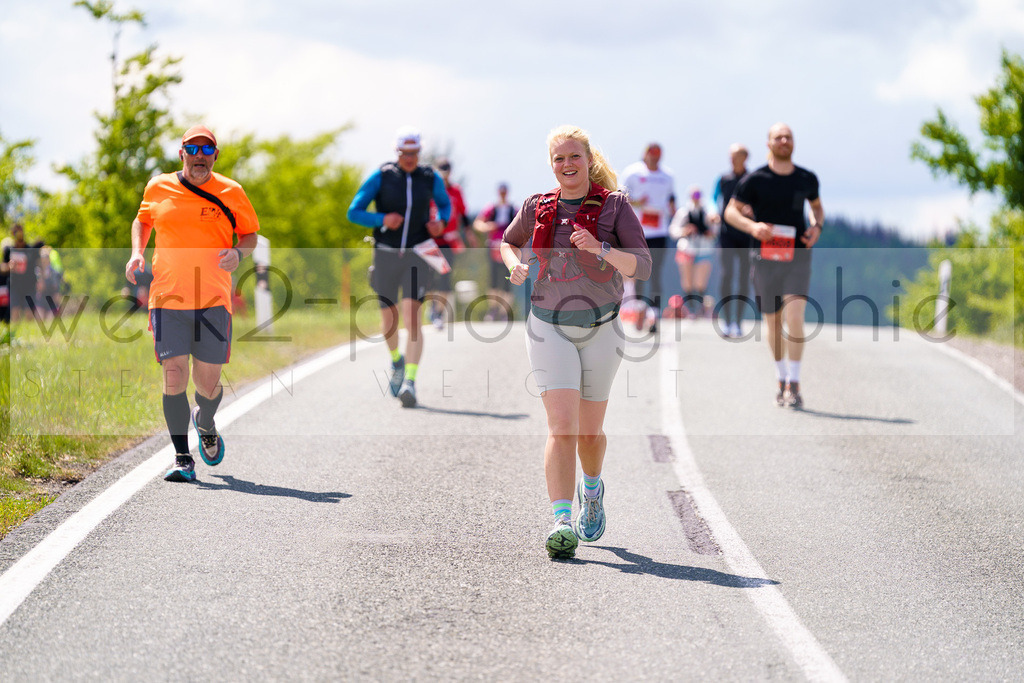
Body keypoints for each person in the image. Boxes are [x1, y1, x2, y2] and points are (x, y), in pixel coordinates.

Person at [501, 125, 652, 559]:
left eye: (574, 158)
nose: (567, 165)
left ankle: (592, 488)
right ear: (552, 165)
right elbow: (507, 243)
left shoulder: (616, 207)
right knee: (561, 427)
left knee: (590, 433)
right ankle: (561, 521)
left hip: (603, 327)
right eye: (559, 159)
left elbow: (641, 267)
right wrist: (514, 264)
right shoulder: (536, 205)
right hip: (547, 325)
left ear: (589, 161)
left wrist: (602, 248)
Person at [125, 125, 260, 482]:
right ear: (181, 152)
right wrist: (137, 253)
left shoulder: (232, 191)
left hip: (214, 298)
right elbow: (143, 219)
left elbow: (250, 234)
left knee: (208, 382)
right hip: (167, 296)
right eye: (192, 148)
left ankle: (206, 420)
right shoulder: (158, 186)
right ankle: (183, 458)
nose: (200, 155)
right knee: (174, 375)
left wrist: (237, 251)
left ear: (215, 155)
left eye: (207, 149)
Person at [347, 127, 451, 408]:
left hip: (417, 254)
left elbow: (445, 205)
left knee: (412, 317)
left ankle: (411, 382)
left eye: (414, 153)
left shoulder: (429, 178)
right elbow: (353, 212)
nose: (410, 158)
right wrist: (382, 218)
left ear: (420, 152)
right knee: (389, 321)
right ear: (397, 153)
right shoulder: (382, 176)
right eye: (405, 154)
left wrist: (440, 221)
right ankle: (397, 361)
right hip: (385, 254)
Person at [725, 123, 824, 409]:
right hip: (765, 259)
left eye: (788, 137)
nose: (784, 141)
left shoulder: (806, 178)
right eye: (778, 137)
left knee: (795, 316)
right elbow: (730, 212)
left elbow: (817, 208)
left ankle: (794, 382)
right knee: (773, 322)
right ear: (769, 143)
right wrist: (753, 227)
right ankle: (781, 377)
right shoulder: (755, 180)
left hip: (798, 256)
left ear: (793, 143)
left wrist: (817, 226)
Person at [620, 143, 675, 333]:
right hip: (638, 230)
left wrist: (673, 210)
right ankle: (639, 310)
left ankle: (655, 314)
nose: (654, 159)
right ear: (644, 155)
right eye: (651, 156)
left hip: (660, 231)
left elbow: (671, 199)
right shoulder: (633, 173)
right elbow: (621, 197)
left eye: (657, 156)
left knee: (656, 273)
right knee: (639, 273)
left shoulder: (667, 176)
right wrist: (636, 202)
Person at [428, 157, 475, 330]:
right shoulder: (430, 190)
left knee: (445, 278)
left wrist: (469, 233)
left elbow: (463, 213)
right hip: (431, 241)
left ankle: (438, 314)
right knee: (430, 278)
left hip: (448, 241)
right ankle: (432, 307)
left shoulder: (455, 191)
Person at [713, 143, 753, 338]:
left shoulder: (752, 179)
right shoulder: (724, 179)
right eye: (730, 156)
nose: (732, 159)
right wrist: (713, 213)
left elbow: (760, 202)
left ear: (745, 157)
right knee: (726, 275)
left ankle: (738, 320)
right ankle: (727, 320)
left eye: (735, 156)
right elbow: (714, 199)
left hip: (746, 234)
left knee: (744, 278)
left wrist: (752, 211)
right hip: (726, 233)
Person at [669, 186, 718, 318]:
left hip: (704, 249)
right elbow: (673, 230)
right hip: (686, 249)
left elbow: (715, 230)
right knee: (687, 282)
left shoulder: (708, 212)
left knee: (700, 283)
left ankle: (700, 308)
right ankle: (690, 309)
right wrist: (685, 231)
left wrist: (710, 233)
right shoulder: (683, 212)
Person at [473, 182, 516, 321]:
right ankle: (493, 309)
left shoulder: (513, 210)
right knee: (493, 279)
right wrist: (488, 227)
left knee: (507, 279)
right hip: (492, 247)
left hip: (508, 247)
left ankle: (505, 312)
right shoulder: (491, 208)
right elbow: (478, 224)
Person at [2, 224, 42, 324]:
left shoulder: (30, 250)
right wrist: (9, 266)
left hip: (29, 285)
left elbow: (38, 266)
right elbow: (2, 267)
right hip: (15, 285)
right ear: (13, 234)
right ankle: (16, 337)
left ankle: (30, 335)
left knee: (29, 313)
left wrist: (40, 280)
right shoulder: (9, 251)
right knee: (15, 313)